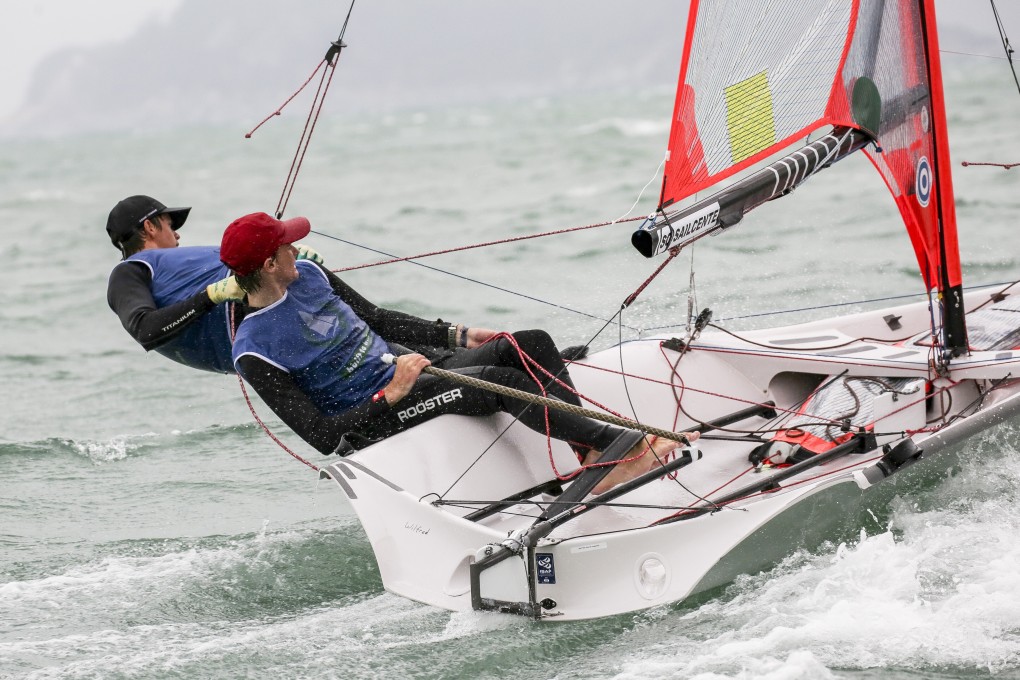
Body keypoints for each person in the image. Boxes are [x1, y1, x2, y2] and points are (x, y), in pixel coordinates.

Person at [221, 211, 697, 493]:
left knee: (524, 343)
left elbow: (380, 319)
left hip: (413, 372)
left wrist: (458, 335)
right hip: (379, 412)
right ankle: (623, 449)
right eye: (287, 246)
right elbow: (321, 436)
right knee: (503, 383)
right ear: (268, 265)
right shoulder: (254, 351)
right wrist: (390, 394)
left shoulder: (311, 275)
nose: (297, 247)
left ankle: (592, 453)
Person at [105, 195, 321, 373]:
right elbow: (145, 330)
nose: (177, 234)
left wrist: (286, 256)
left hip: (273, 307)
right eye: (170, 226)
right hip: (252, 324)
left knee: (323, 298)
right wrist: (211, 296)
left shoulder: (178, 268)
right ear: (150, 226)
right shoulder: (128, 272)